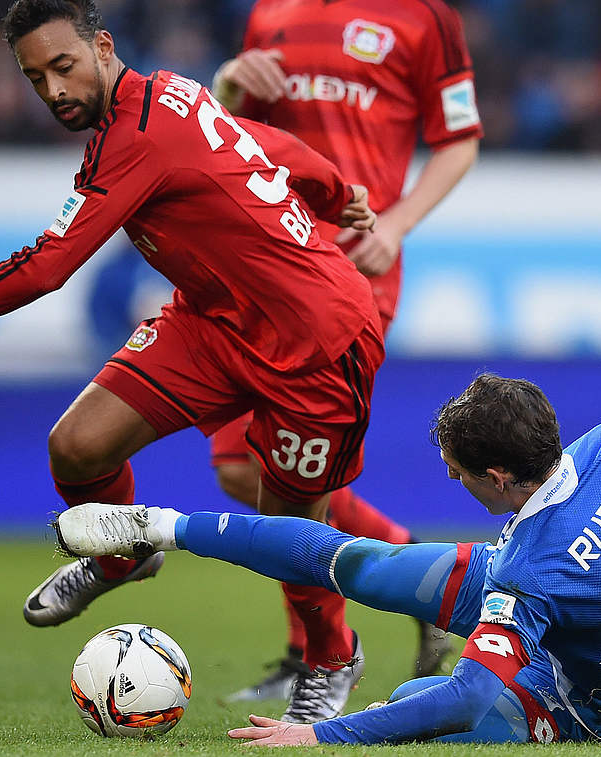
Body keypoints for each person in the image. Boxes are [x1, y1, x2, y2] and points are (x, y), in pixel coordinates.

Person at [0, 0, 383, 723]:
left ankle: (334, 660)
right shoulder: (166, 94)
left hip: (315, 341)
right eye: (35, 76)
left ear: (103, 47)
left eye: (63, 66)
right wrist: (335, 191)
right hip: (212, 320)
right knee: (77, 448)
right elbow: (264, 141)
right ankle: (122, 555)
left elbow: (47, 267)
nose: (52, 90)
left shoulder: (137, 136)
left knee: (288, 535)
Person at [51, 373, 601, 745]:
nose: (445, 474)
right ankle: (155, 524)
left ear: (497, 475)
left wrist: (324, 740)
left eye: (454, 465)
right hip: (592, 602)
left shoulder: (528, 571)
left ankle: (164, 529)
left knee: (420, 702)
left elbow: (462, 700)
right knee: (360, 566)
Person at [206, 0, 484, 699]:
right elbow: (237, 136)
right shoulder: (271, 9)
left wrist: (397, 223)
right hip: (269, 263)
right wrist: (228, 91)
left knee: (271, 462)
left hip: (353, 271)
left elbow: (460, 141)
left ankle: (315, 654)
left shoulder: (424, 17)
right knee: (245, 466)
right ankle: (426, 578)